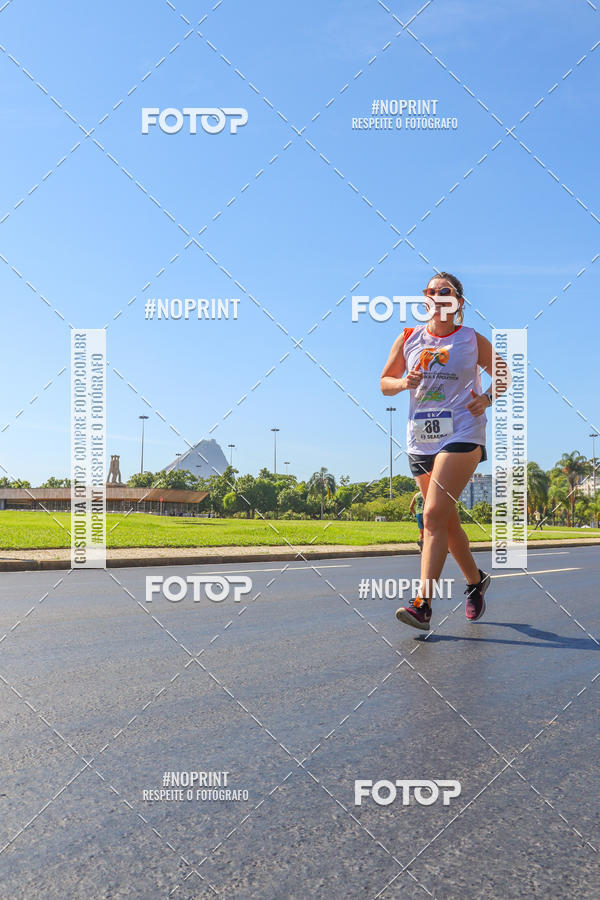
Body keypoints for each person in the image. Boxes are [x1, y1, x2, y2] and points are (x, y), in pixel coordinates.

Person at [380, 272, 509, 631]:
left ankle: (422, 604)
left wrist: (486, 398)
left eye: (444, 291)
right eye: (430, 291)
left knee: (433, 513)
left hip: (463, 432)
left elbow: (504, 374)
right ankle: (475, 581)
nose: (436, 295)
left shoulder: (470, 339)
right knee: (446, 523)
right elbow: (384, 383)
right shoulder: (409, 338)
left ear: (458, 301)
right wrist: (403, 381)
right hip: (421, 437)